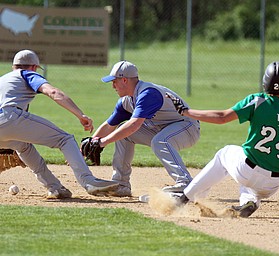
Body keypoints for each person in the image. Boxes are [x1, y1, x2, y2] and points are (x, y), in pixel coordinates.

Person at [167, 61, 279, 217]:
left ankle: (183, 198)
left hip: (246, 170)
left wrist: (186, 111)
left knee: (224, 154)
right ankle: (250, 203)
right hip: (272, 184)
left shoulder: (259, 101)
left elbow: (222, 117)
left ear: (266, 82)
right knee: (251, 182)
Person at [0, 49, 119, 199]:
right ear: (33, 67)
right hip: (10, 116)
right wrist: (80, 114)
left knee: (23, 146)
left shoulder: (3, 79)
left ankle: (55, 188)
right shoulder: (27, 73)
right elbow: (54, 93)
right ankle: (89, 181)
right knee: (65, 139)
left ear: (13, 66)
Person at [90, 60, 200, 197]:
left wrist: (102, 142)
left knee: (160, 140)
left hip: (187, 127)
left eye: (114, 81)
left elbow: (134, 125)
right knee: (123, 131)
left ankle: (185, 183)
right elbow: (108, 126)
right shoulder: (126, 101)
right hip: (162, 128)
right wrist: (88, 146)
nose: (113, 86)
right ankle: (121, 184)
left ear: (124, 80)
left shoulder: (148, 93)